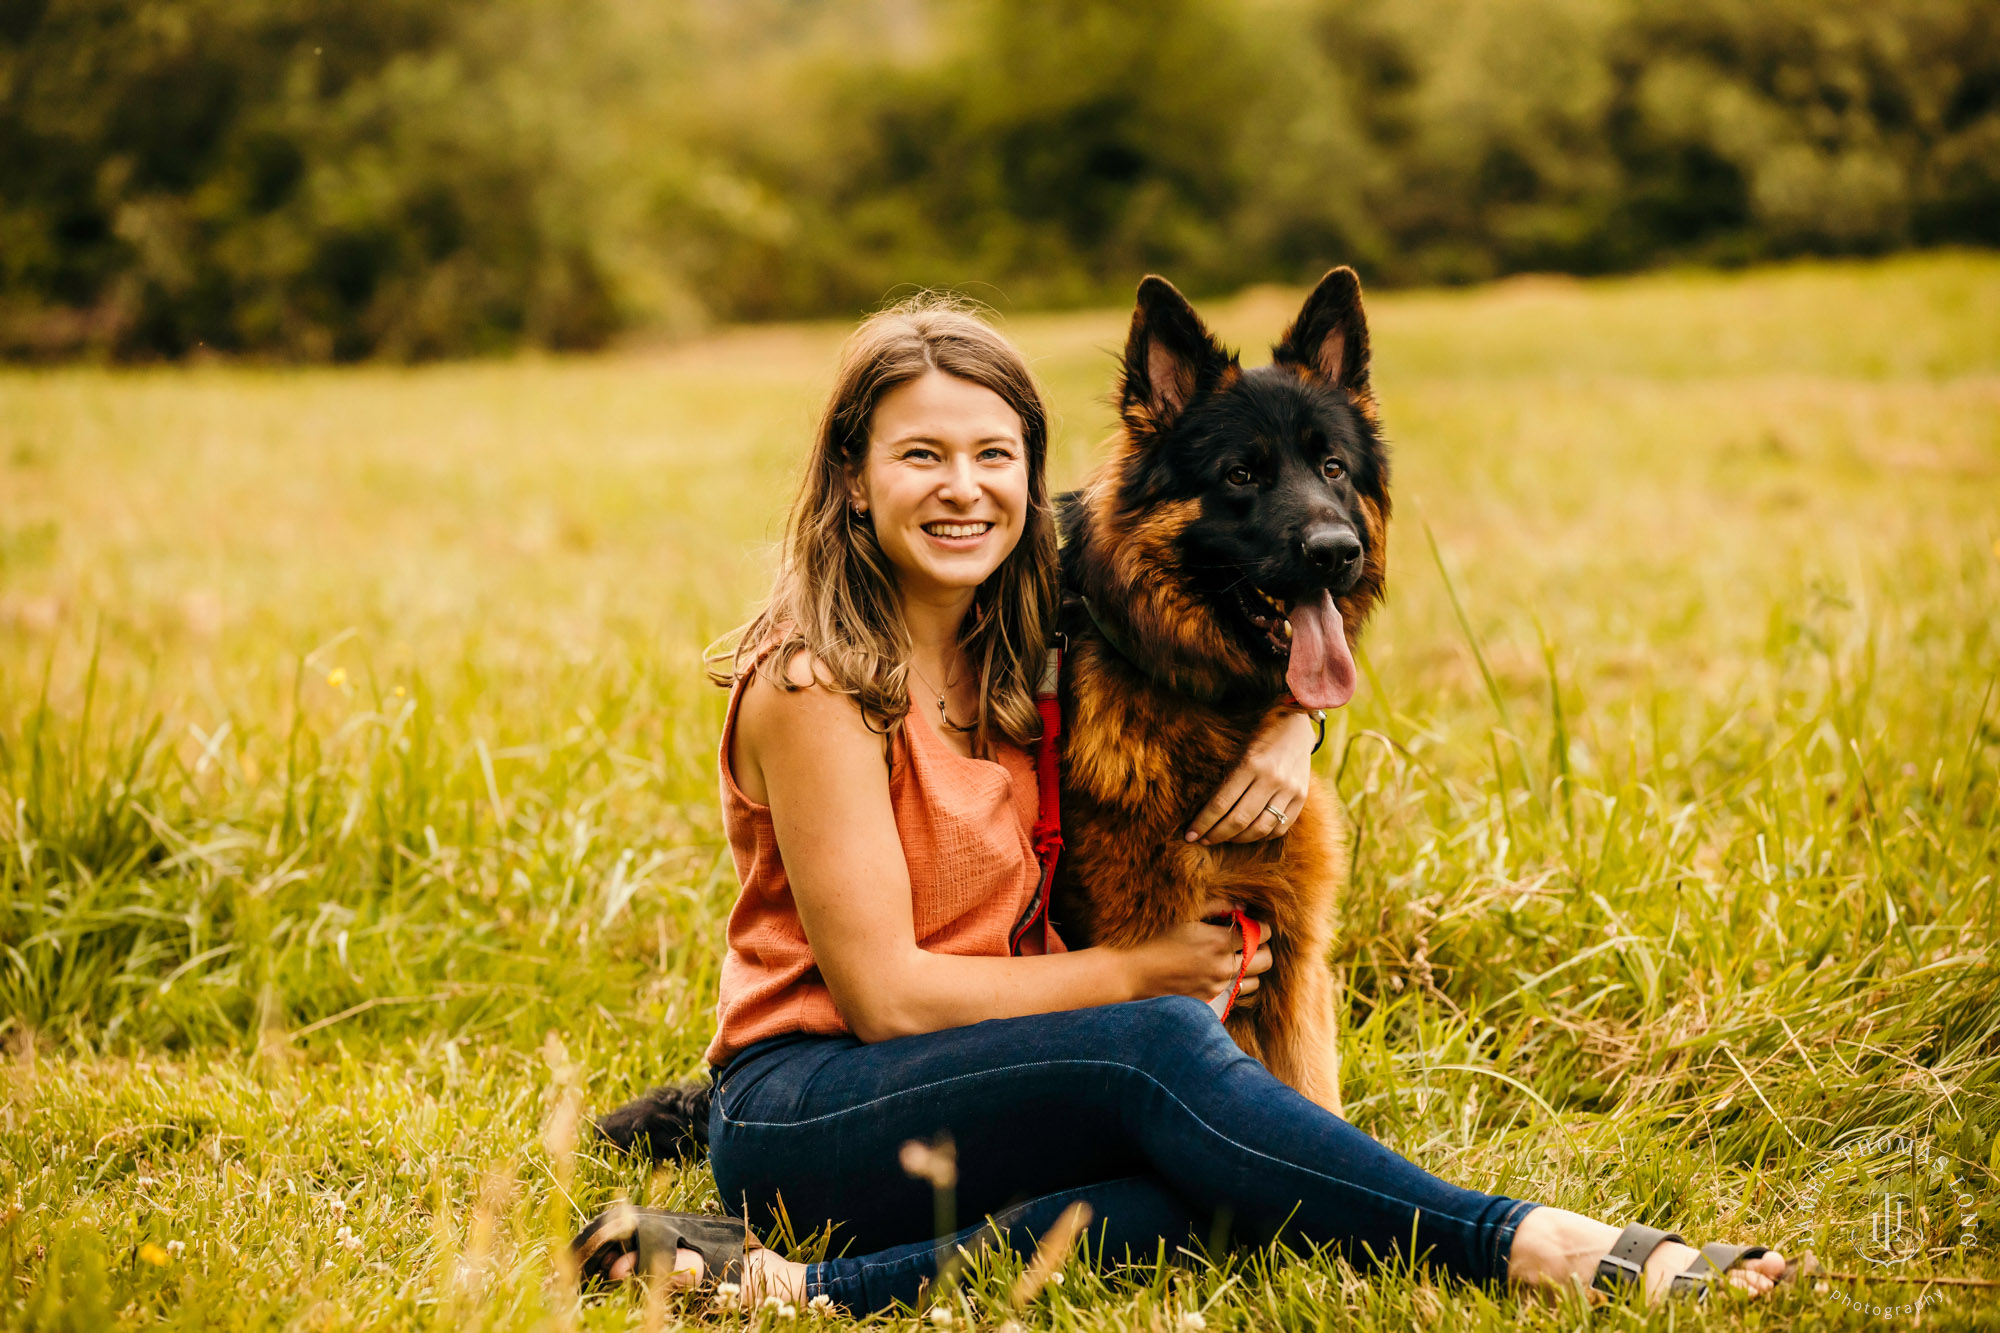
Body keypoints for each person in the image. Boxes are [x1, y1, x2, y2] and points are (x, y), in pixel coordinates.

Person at [569, 297, 1791, 1312]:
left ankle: (800, 1291)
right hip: (813, 1102)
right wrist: (1148, 969)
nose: (964, 490)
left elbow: (1207, 615)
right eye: (920, 456)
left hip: (973, 1075)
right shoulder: (813, 680)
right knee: (1167, 1050)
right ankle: (1546, 1248)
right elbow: (891, 999)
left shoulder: (1031, 614)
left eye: (995, 456)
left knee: (1229, 1182)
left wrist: (1298, 725)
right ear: (849, 479)